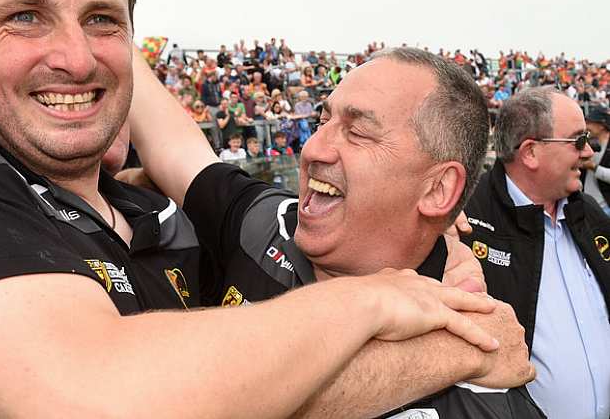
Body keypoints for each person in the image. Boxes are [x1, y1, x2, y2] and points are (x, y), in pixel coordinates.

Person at [0, 0, 525, 418]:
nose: (312, 146)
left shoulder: (164, 219)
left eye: (102, 19)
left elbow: (151, 117)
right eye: (24, 16)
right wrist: (407, 324)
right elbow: (103, 398)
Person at [128, 46, 540, 417]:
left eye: (358, 132)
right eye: (323, 120)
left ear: (437, 189)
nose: (313, 149)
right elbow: (170, 141)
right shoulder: (263, 221)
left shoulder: (485, 384)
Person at [462, 86, 610, 419]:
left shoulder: (588, 213)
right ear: (530, 152)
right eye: (577, 140)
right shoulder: (467, 223)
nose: (588, 152)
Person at [581, 108, 610, 215]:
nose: (586, 126)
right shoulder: (587, 143)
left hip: (605, 207)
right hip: (588, 205)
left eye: (589, 122)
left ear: (602, 125)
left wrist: (593, 167)